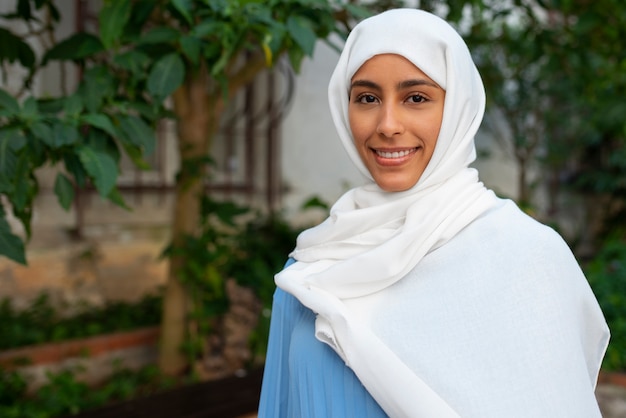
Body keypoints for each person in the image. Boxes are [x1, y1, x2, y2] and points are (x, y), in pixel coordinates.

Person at [257, 8, 609, 418]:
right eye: (367, 98)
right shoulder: (312, 268)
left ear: (458, 106)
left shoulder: (526, 255)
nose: (387, 124)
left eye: (416, 98)